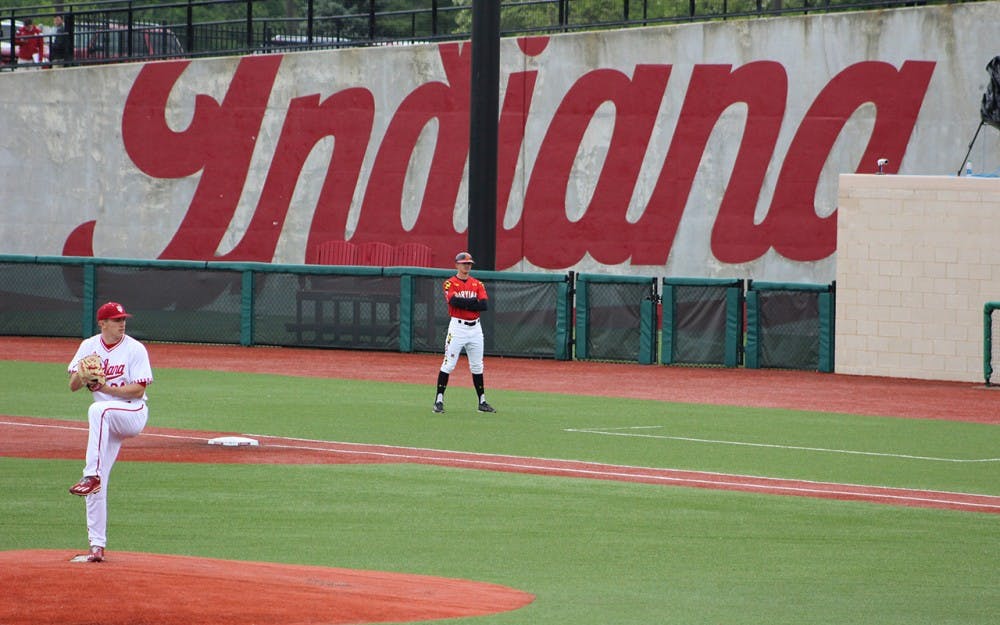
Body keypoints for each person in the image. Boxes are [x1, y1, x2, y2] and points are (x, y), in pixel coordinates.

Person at [67, 301, 153, 563]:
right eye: (116, 320)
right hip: (107, 422)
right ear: (102, 323)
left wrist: (105, 388)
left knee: (98, 410)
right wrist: (83, 374)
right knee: (97, 484)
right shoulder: (88, 346)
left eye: (123, 319)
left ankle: (90, 475)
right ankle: (97, 546)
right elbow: (72, 385)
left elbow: (138, 389)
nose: (122, 324)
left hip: (132, 413)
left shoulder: (135, 348)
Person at [433, 252, 496, 414]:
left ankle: (482, 402)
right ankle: (438, 400)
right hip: (458, 327)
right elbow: (453, 301)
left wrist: (465, 304)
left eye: (469, 264)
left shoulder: (478, 284)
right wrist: (472, 302)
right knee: (448, 364)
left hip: (475, 329)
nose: (467, 266)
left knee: (477, 365)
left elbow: (483, 305)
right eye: (464, 263)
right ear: (457, 265)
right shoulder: (450, 283)